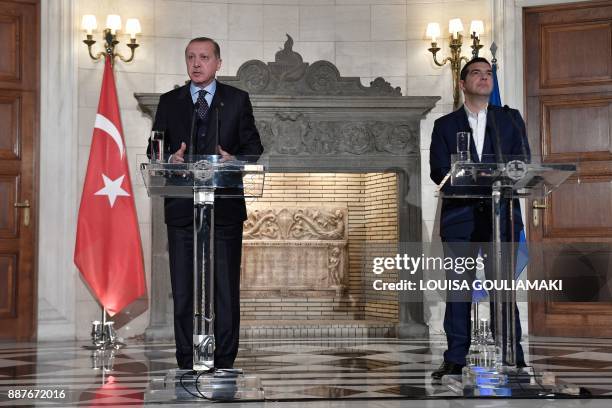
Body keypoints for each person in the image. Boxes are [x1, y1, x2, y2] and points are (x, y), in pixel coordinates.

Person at [149, 37, 264, 370]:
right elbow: (153, 150)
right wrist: (171, 157)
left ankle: (225, 359)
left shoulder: (236, 100)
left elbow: (253, 147)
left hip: (224, 210)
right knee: (183, 288)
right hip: (183, 207)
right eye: (190, 57)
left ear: (218, 63)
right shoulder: (169, 101)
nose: (196, 63)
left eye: (203, 57)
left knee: (225, 289)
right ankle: (186, 358)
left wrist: (235, 159)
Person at [429, 57, 529, 379]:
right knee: (459, 291)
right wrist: (472, 176)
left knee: (503, 290)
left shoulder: (510, 120)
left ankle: (513, 355)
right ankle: (455, 358)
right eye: (477, 73)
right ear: (463, 83)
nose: (484, 78)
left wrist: (490, 175)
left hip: (502, 218)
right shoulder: (445, 125)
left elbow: (522, 163)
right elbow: (438, 171)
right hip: (461, 219)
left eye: (489, 74)